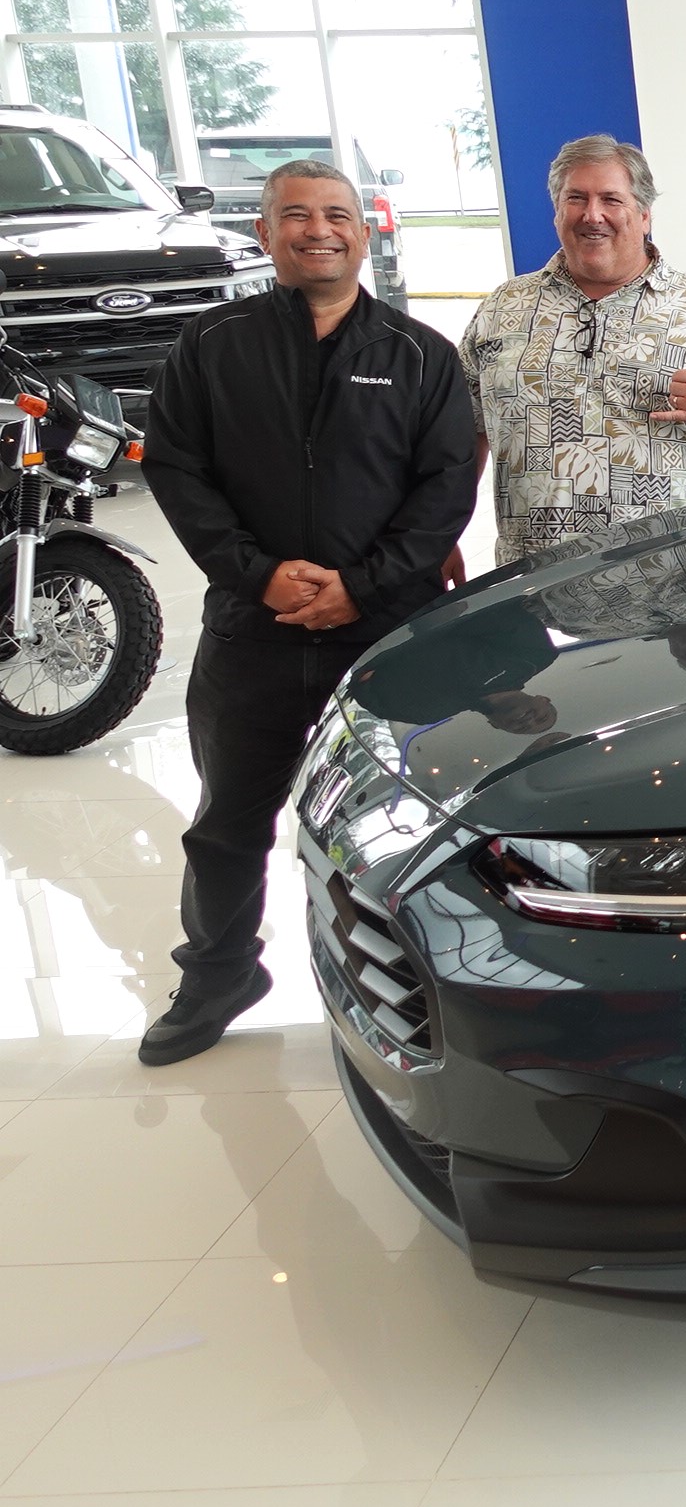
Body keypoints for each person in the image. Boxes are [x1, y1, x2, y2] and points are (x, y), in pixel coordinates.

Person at [138, 159, 476, 1064]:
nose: (317, 230)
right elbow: (175, 466)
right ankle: (217, 974)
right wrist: (255, 575)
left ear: (363, 234)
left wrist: (361, 585)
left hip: (383, 640)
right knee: (227, 823)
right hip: (252, 633)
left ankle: (409, 988)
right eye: (295, 215)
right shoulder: (213, 344)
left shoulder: (419, 354)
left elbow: (447, 488)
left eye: (336, 215)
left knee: (398, 827)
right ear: (264, 234)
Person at [453, 135, 686, 567]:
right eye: (576, 198)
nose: (592, 214)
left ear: (644, 214)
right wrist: (444, 534)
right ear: (557, 211)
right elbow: (464, 430)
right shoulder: (502, 310)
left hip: (683, 584)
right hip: (538, 583)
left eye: (611, 199)